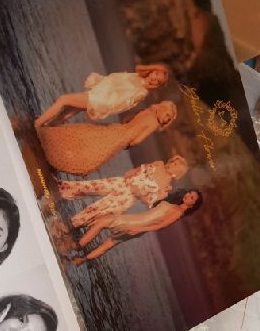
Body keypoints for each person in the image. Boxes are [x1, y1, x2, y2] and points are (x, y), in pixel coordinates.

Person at [34, 100, 177, 177]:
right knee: (95, 154)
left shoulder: (147, 111)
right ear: (162, 108)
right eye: (167, 115)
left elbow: (128, 119)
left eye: (169, 119)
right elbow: (138, 140)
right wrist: (129, 145)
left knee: (88, 137)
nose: (166, 119)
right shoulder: (154, 123)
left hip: (118, 129)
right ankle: (64, 160)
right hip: (122, 138)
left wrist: (126, 128)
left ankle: (53, 141)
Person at [69, 189, 204, 265]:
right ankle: (80, 260)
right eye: (189, 193)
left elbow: (160, 226)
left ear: (193, 205)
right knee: (110, 242)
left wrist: (139, 229)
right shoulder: (175, 206)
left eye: (192, 197)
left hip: (137, 224)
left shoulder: (178, 212)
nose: (188, 195)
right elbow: (154, 211)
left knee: (103, 222)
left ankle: (77, 245)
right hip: (137, 224)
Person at [56, 155, 189, 228]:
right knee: (92, 186)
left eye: (176, 165)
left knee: (98, 209)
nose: (172, 164)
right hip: (122, 182)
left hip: (127, 198)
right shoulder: (159, 163)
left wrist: (138, 193)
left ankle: (69, 225)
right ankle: (61, 189)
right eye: (174, 161)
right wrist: (132, 172)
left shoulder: (166, 187)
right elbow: (141, 168)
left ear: (177, 173)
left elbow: (147, 201)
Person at [35, 64, 169, 124]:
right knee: (68, 111)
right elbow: (114, 81)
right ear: (152, 71)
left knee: (63, 100)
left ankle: (37, 124)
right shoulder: (137, 76)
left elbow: (119, 105)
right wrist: (99, 81)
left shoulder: (142, 93)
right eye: (156, 74)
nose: (154, 79)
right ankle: (48, 128)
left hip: (98, 100)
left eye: (158, 81)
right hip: (98, 92)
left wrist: (99, 108)